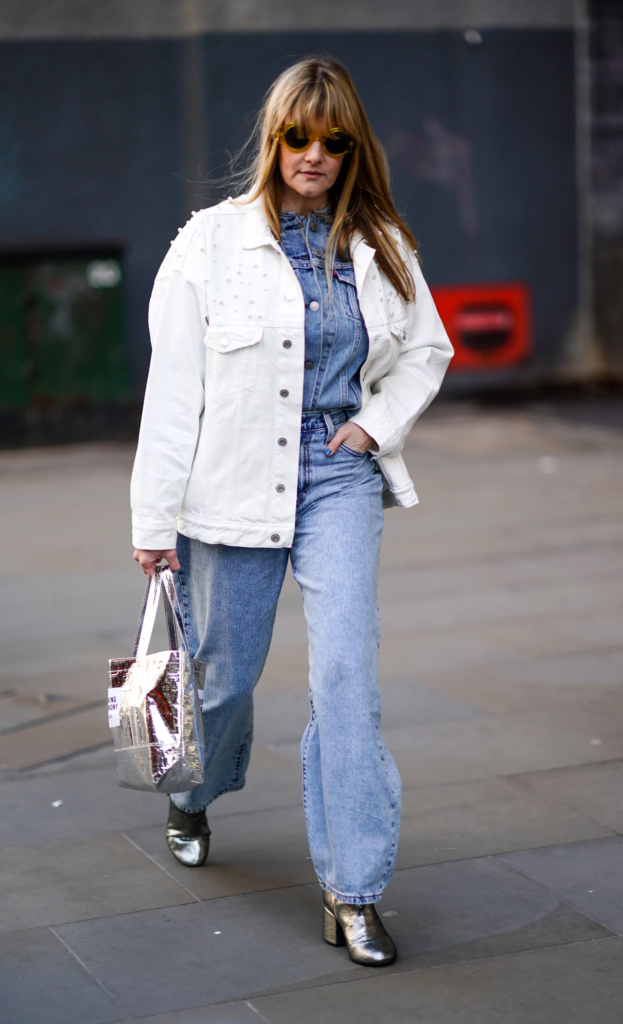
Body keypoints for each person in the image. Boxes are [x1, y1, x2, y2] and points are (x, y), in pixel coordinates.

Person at [131, 56, 452, 967]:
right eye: (297, 137)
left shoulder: (382, 242)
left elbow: (425, 351)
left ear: (354, 148)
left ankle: (352, 892)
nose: (314, 154)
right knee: (224, 678)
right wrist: (153, 523)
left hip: (337, 472)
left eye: (334, 140)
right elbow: (172, 392)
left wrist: (371, 426)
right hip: (228, 482)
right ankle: (191, 790)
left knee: (347, 676)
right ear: (274, 140)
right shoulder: (209, 242)